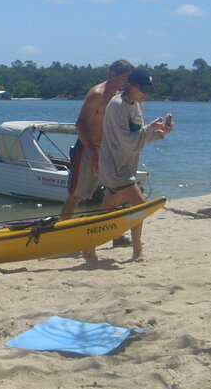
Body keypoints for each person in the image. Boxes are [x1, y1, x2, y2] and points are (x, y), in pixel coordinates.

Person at [60, 59, 133, 261]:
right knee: (77, 194)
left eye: (129, 80)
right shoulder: (97, 95)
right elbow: (80, 124)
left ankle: (114, 234)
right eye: (124, 79)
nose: (126, 83)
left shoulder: (122, 96)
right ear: (112, 74)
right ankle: (63, 235)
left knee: (117, 192)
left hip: (110, 149)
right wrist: (92, 154)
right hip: (88, 147)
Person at [98, 67, 172, 260]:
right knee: (140, 206)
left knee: (105, 212)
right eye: (143, 90)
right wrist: (150, 130)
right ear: (130, 86)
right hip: (114, 166)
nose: (146, 94)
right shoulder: (116, 106)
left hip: (128, 163)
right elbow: (128, 140)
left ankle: (87, 247)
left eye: (149, 91)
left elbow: (137, 137)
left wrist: (160, 133)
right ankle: (137, 250)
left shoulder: (137, 104)